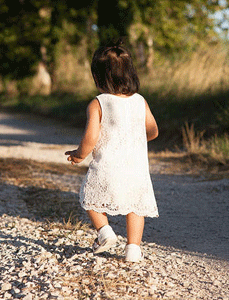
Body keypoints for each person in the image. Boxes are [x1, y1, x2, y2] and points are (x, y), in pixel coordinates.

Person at [65, 42, 159, 262]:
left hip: (108, 166)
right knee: (135, 206)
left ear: (99, 78)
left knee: (90, 198)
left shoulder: (98, 103)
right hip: (136, 168)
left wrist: (79, 154)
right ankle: (133, 249)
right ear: (130, 74)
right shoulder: (140, 101)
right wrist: (134, 140)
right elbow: (153, 131)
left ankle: (105, 233)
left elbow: (91, 138)